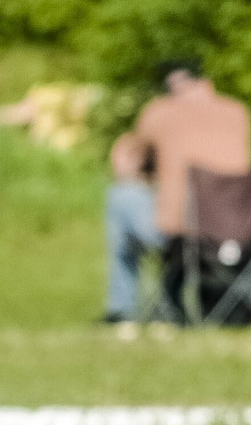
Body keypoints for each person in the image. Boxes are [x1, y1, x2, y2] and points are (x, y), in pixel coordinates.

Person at [105, 60, 250, 323]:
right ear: (205, 81)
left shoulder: (159, 112)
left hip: (183, 235)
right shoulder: (237, 111)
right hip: (237, 232)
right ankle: (171, 298)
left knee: (121, 196)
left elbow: (128, 163)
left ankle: (122, 309)